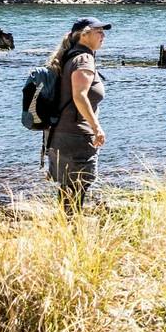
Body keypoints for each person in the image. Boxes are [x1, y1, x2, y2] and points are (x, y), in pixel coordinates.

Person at [45, 17, 111, 210]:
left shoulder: (68, 57)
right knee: (77, 189)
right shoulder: (84, 59)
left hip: (59, 135)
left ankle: (65, 231)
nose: (103, 36)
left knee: (68, 191)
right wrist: (96, 128)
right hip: (76, 137)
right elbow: (79, 96)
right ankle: (73, 233)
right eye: (99, 31)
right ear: (85, 35)